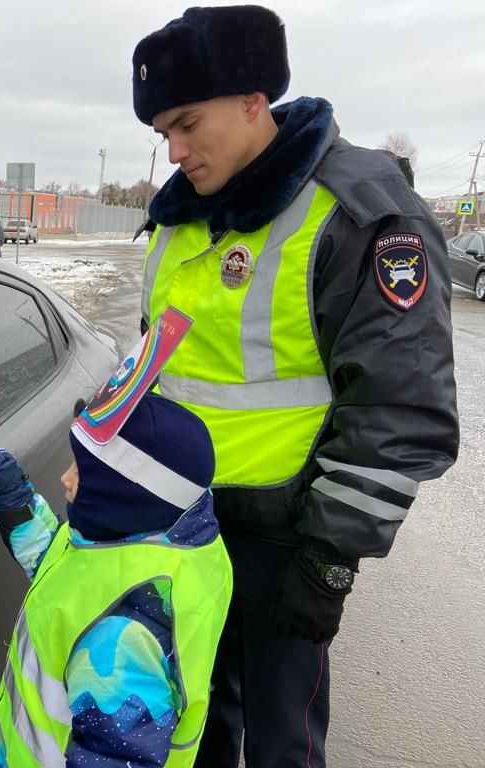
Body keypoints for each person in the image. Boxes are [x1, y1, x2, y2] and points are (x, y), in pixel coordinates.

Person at [131, 6, 459, 766]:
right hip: (183, 531)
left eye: (187, 123)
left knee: (283, 745)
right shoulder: (181, 220)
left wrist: (329, 560)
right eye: (162, 136)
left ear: (254, 102)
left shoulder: (359, 211)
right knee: (193, 729)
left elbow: (401, 408)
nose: (176, 151)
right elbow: (158, 362)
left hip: (288, 541)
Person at [0, 392, 232, 767]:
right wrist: (18, 505)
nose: (65, 477)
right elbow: (70, 574)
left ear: (125, 493)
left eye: (81, 470)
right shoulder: (157, 540)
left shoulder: (122, 638)